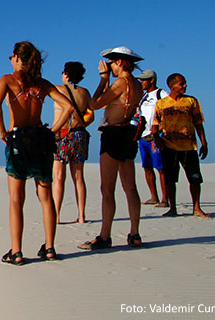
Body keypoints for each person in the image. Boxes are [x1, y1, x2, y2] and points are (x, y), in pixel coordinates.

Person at [0, 41, 75, 265]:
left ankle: (17, 251)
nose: (10, 59)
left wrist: (2, 131)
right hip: (40, 139)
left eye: (11, 56)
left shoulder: (8, 80)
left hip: (18, 138)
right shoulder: (42, 84)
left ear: (18, 58)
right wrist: (53, 132)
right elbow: (68, 107)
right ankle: (49, 248)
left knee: (16, 199)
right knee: (46, 197)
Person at [79, 46, 144, 250]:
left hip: (113, 134)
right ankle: (135, 233)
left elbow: (95, 103)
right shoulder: (136, 84)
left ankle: (105, 236)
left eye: (112, 63)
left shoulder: (120, 82)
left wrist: (103, 79)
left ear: (120, 62)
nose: (110, 66)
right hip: (128, 135)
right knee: (130, 187)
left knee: (108, 188)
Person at [152, 73, 210, 218]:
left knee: (195, 178)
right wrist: (156, 139)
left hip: (189, 147)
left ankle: (197, 207)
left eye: (184, 83)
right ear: (172, 86)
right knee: (170, 179)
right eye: (182, 83)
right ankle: (172, 208)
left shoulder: (191, 101)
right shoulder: (161, 104)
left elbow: (198, 123)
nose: (185, 86)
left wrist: (204, 142)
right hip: (168, 146)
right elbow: (155, 124)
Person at [52, 62, 94, 224]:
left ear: (67, 74)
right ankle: (82, 216)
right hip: (80, 135)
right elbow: (91, 115)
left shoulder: (58, 90)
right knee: (78, 177)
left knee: (58, 177)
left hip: (62, 135)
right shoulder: (85, 93)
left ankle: (56, 215)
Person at [134, 70, 169, 208]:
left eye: (144, 80)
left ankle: (165, 198)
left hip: (156, 136)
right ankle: (154, 196)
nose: (141, 82)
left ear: (152, 80)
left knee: (161, 168)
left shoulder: (161, 94)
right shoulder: (143, 97)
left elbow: (168, 112)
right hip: (143, 137)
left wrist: (159, 129)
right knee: (147, 167)